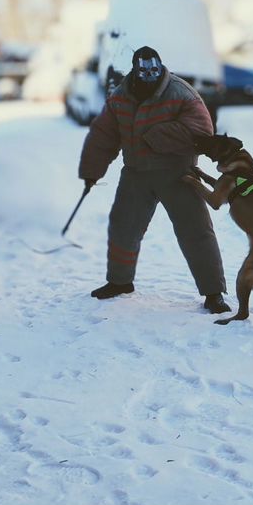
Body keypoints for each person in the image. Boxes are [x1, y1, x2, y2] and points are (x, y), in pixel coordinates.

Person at [78, 46, 230, 314]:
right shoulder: (120, 98)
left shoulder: (181, 92)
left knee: (196, 231)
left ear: (160, 66)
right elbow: (104, 136)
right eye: (144, 70)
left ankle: (214, 293)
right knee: (122, 226)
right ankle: (119, 281)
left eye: (154, 69)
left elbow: (202, 130)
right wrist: (92, 171)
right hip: (135, 174)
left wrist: (156, 136)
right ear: (135, 70)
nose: (149, 74)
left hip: (178, 173)